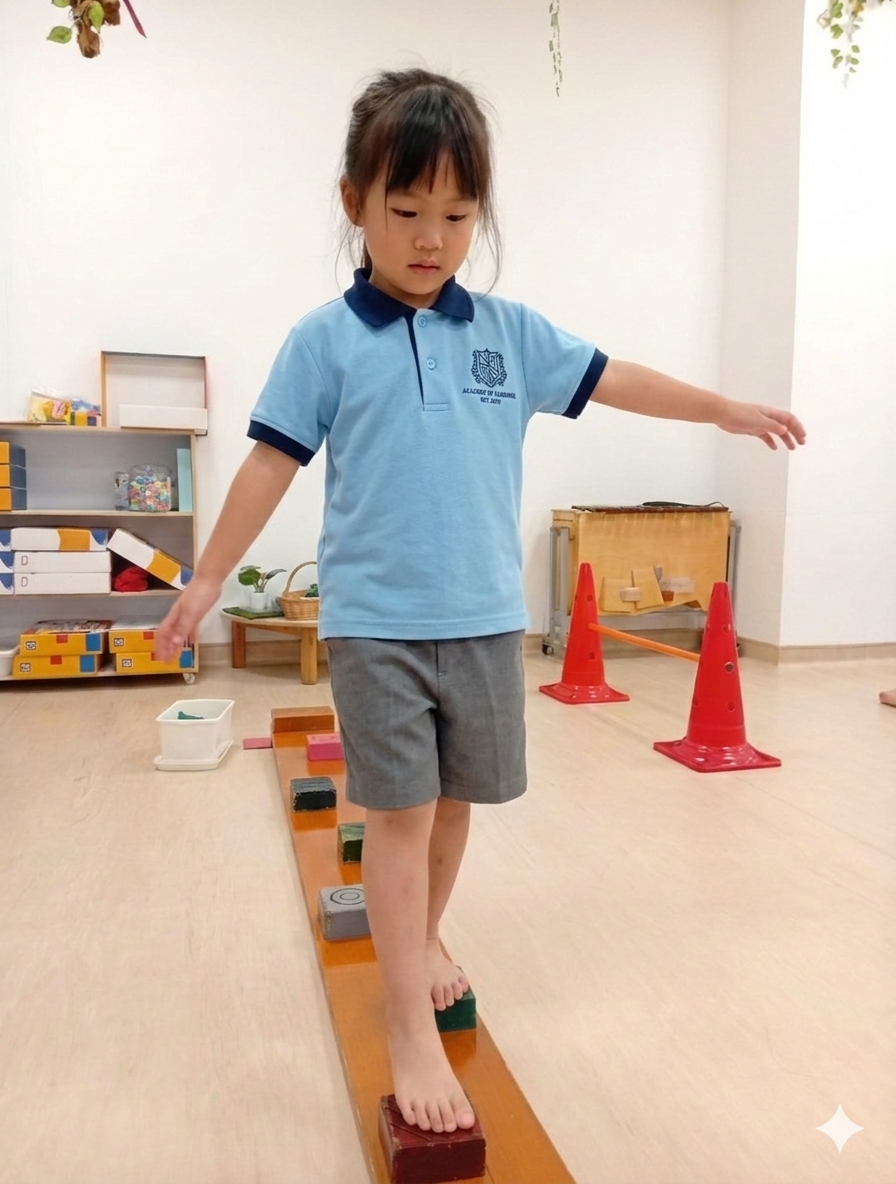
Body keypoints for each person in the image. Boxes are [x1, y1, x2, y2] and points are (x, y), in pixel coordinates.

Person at [154, 67, 806, 1137]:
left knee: (456, 805)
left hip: (486, 619)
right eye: (404, 212)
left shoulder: (504, 331)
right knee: (399, 815)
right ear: (352, 204)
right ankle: (406, 1016)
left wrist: (722, 408)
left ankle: (426, 938)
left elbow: (613, 376)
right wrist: (213, 572)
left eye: (455, 216)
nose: (429, 238)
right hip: (374, 621)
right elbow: (270, 463)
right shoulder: (324, 338)